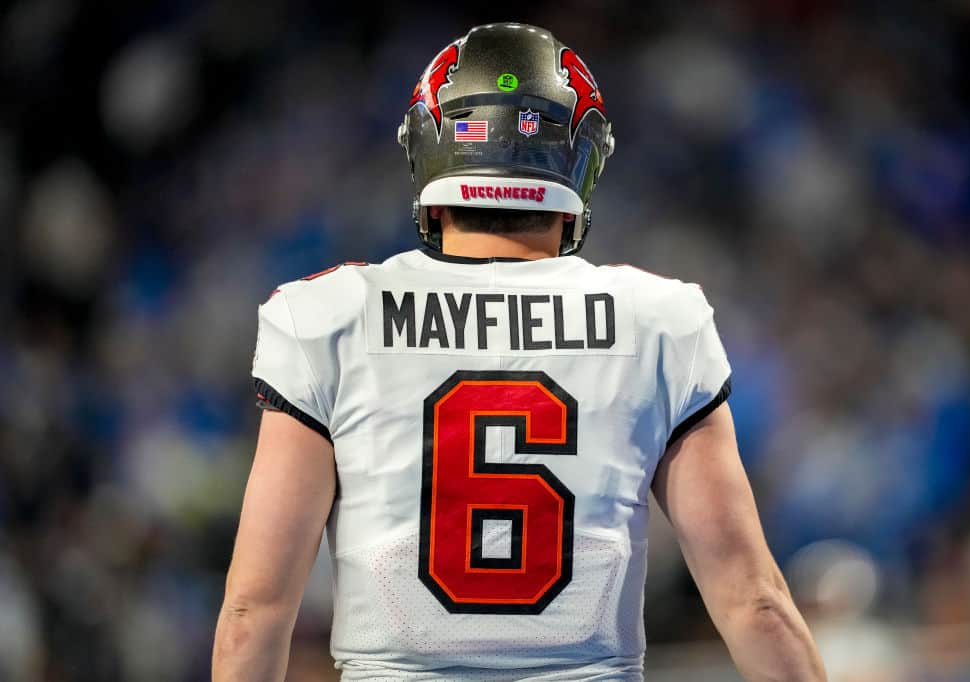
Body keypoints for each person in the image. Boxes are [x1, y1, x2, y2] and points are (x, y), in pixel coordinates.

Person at [212, 22, 826, 682]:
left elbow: (255, 612)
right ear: (580, 162)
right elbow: (754, 604)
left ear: (427, 147)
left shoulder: (330, 316)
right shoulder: (658, 321)